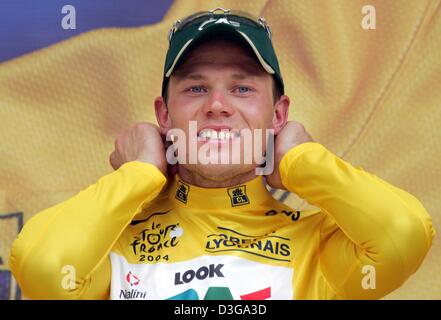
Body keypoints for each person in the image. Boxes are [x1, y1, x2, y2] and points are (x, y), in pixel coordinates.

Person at [9, 8, 434, 300]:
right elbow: (43, 267)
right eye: (195, 87)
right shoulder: (110, 247)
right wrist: (139, 174)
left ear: (277, 115)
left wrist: (301, 160)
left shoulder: (317, 247)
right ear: (164, 115)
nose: (216, 105)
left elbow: (403, 233)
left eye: (242, 88)